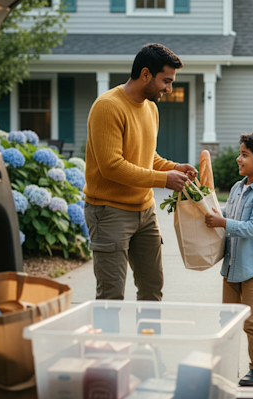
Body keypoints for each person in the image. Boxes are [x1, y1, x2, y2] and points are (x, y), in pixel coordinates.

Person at [84, 43, 197, 301]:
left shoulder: (151, 108)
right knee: (111, 296)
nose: (169, 89)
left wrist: (174, 168)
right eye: (166, 81)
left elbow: (147, 157)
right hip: (109, 212)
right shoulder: (108, 107)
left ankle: (147, 343)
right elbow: (112, 166)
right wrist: (163, 180)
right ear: (146, 74)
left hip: (145, 213)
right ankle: (110, 343)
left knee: (152, 290)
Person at [205, 132, 253, 386]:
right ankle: (225, 364)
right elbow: (228, 212)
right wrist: (210, 209)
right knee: (227, 318)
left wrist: (223, 222)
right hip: (232, 266)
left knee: (251, 321)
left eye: (244, 155)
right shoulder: (239, 187)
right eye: (240, 153)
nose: (239, 159)